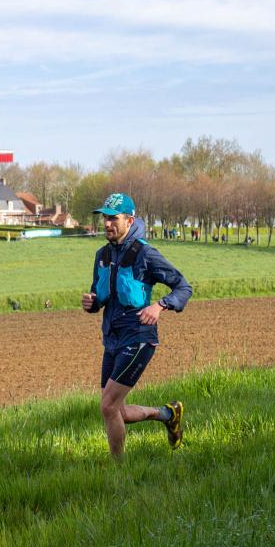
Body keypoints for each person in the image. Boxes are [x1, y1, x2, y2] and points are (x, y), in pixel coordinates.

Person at [82, 193, 192, 458]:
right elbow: (101, 295)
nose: (107, 224)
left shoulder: (145, 254)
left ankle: (118, 470)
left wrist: (160, 306)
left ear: (129, 220)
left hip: (139, 337)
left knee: (108, 407)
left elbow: (183, 286)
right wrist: (92, 303)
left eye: (113, 218)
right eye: (105, 218)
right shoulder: (102, 255)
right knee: (116, 410)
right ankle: (168, 414)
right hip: (112, 339)